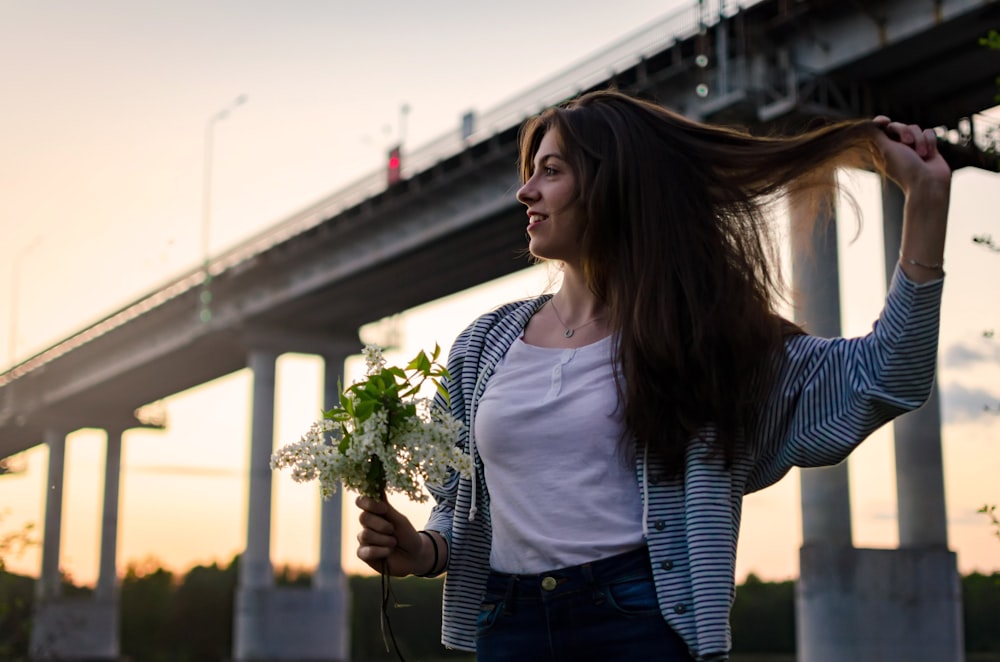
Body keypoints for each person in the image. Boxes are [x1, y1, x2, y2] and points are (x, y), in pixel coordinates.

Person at [355, 89, 950, 661]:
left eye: (552, 171)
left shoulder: (701, 337)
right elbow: (459, 504)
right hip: (506, 626)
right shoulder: (481, 346)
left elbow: (888, 374)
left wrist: (925, 202)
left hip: (637, 622)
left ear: (614, 187)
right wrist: (422, 550)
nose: (524, 191)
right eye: (531, 171)